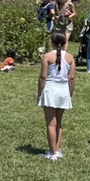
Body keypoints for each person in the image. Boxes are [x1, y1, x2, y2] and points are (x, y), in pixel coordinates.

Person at [37, 31, 75, 160]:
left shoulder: (47, 56)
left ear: (52, 42)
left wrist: (39, 93)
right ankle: (57, 149)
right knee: (59, 122)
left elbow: (43, 76)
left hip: (50, 89)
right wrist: (70, 93)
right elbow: (72, 78)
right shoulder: (70, 57)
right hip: (63, 89)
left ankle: (52, 153)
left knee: (51, 123)